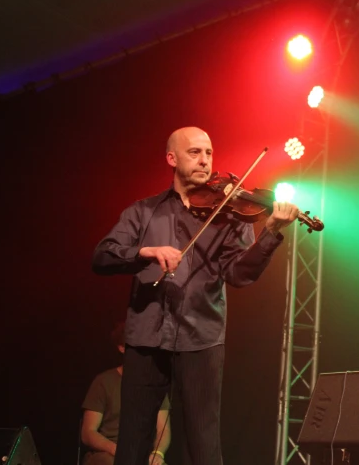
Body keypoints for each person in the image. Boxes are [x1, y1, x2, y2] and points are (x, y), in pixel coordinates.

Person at [92, 127, 299, 465]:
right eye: (195, 153)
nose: (205, 161)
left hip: (201, 337)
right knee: (133, 440)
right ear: (172, 158)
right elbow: (102, 257)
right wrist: (145, 251)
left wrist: (271, 232)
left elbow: (239, 274)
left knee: (203, 442)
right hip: (146, 338)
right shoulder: (143, 211)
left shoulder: (231, 213)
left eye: (209, 153)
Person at [81, 323, 170, 465]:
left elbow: (163, 429)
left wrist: (157, 453)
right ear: (122, 347)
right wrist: (115, 449)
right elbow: (88, 432)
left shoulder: (155, 385)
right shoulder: (103, 382)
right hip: (107, 454)